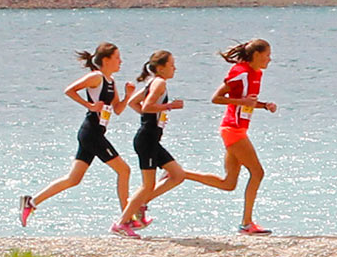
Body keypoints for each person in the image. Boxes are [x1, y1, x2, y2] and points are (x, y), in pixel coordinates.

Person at [20, 44, 132, 226]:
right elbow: (69, 90)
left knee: (73, 179)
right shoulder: (96, 77)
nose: (121, 61)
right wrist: (89, 105)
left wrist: (128, 96)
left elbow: (117, 109)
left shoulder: (111, 81)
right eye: (117, 57)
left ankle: (31, 202)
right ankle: (124, 221)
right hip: (92, 133)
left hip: (94, 133)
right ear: (106, 60)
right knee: (124, 170)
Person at [115, 51, 227, 235]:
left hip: (150, 138)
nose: (174, 68)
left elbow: (134, 103)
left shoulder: (153, 82)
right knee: (147, 185)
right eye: (171, 65)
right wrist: (169, 106)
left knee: (177, 174)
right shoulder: (159, 82)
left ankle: (139, 204)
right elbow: (146, 106)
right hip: (147, 139)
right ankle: (122, 222)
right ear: (160, 68)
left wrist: (152, 119)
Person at [200, 38, 278, 235]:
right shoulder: (241, 73)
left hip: (238, 129)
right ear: (257, 55)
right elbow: (216, 98)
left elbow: (248, 102)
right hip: (232, 129)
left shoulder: (256, 73)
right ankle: (247, 223)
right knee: (258, 173)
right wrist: (242, 101)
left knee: (229, 183)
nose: (270, 59)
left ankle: (181, 174)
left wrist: (264, 105)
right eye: (267, 55)